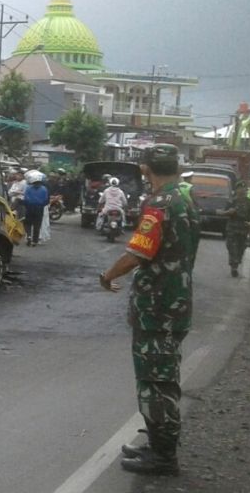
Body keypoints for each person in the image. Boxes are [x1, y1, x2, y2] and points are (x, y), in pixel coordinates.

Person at [100, 144, 193, 476]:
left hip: (158, 307)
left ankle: (164, 456)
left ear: (144, 169)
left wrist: (108, 275)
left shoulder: (160, 204)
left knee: (156, 382)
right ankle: (156, 445)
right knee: (159, 379)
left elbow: (138, 253)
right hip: (173, 302)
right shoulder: (184, 198)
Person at [225, 180, 250, 277]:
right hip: (232, 228)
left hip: (243, 229)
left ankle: (236, 262)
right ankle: (234, 267)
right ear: (236, 190)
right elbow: (224, 212)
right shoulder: (232, 201)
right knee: (232, 247)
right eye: (240, 188)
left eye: (244, 189)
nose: (242, 190)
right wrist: (229, 211)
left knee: (241, 248)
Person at [24, 172, 49, 246]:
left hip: (29, 208)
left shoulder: (28, 188)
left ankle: (28, 236)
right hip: (39, 208)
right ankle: (35, 240)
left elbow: (26, 199)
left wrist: (28, 205)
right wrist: (41, 205)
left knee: (28, 223)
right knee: (37, 225)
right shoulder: (44, 189)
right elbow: (46, 200)